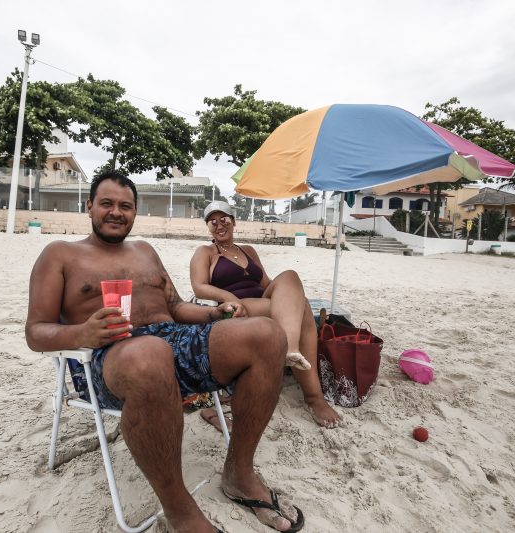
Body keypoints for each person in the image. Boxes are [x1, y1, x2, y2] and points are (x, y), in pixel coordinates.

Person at [25, 170, 305, 533]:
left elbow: (174, 307)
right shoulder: (60, 254)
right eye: (106, 203)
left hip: (173, 339)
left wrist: (211, 313)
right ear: (89, 205)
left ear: (135, 212)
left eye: (125, 206)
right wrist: (84, 331)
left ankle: (239, 472)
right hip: (108, 355)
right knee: (150, 354)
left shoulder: (144, 251)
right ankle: (179, 510)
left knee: (266, 334)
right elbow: (35, 332)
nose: (116, 212)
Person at [190, 201, 341, 429]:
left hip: (262, 299)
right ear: (208, 227)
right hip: (239, 307)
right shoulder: (206, 253)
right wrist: (230, 298)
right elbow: (199, 286)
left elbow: (267, 283)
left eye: (224, 219)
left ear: (234, 221)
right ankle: (313, 396)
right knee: (303, 311)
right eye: (213, 221)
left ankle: (293, 354)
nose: (219, 225)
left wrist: (290, 297)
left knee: (292, 280)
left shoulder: (248, 250)